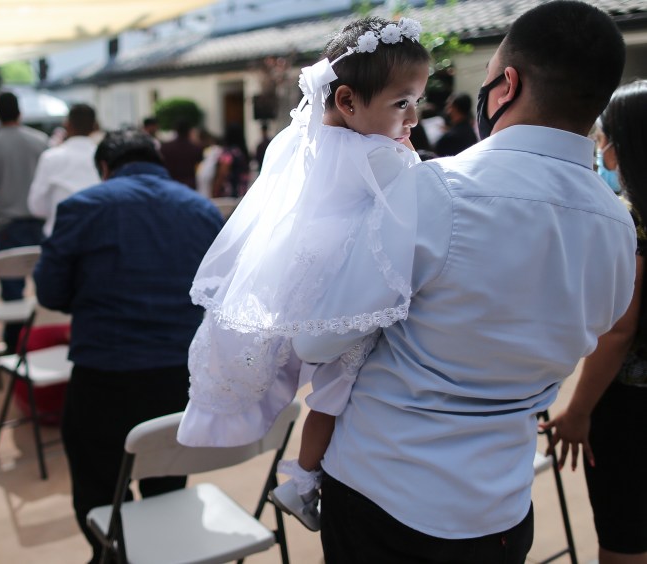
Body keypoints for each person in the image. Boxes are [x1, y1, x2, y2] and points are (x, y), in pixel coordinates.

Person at [290, 3, 632, 562]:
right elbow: (592, 333)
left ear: (505, 86)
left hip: (388, 491)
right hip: (502, 504)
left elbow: (317, 338)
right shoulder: (617, 224)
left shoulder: (436, 190)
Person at [178, 16, 429, 534]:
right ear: (347, 101)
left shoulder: (299, 142)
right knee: (337, 393)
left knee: (322, 391)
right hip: (345, 295)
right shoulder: (384, 157)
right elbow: (416, 213)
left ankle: (303, 478)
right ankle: (304, 478)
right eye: (401, 103)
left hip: (297, 282)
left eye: (416, 101)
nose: (413, 116)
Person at [34, 129, 224, 564]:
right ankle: (158, 555)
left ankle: (113, 556)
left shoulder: (82, 207)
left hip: (104, 373)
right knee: (166, 480)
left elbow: (49, 292)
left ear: (105, 167)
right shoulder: (201, 210)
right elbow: (219, 292)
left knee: (98, 485)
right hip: (178, 373)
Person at [543, 80, 647, 564]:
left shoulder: (628, 221)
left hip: (629, 408)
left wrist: (578, 409)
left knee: (625, 534)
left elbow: (620, 330)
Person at [0, 91, 51, 353]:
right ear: (20, 112)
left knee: (11, 289)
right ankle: (44, 340)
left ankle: (15, 347)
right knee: (47, 286)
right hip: (40, 222)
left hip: (7, 224)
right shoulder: (41, 142)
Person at [27, 103, 100, 237]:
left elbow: (36, 206)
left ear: (67, 124)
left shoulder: (51, 158)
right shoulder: (103, 158)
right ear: (95, 126)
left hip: (60, 235)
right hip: (96, 235)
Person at [160, 120, 203, 189]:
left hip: (171, 183)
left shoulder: (165, 147)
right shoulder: (196, 148)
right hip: (189, 184)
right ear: (189, 130)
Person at [212, 123, 250, 197]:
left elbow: (222, 173)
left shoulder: (228, 153)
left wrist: (215, 190)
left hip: (230, 193)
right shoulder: (242, 152)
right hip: (242, 192)